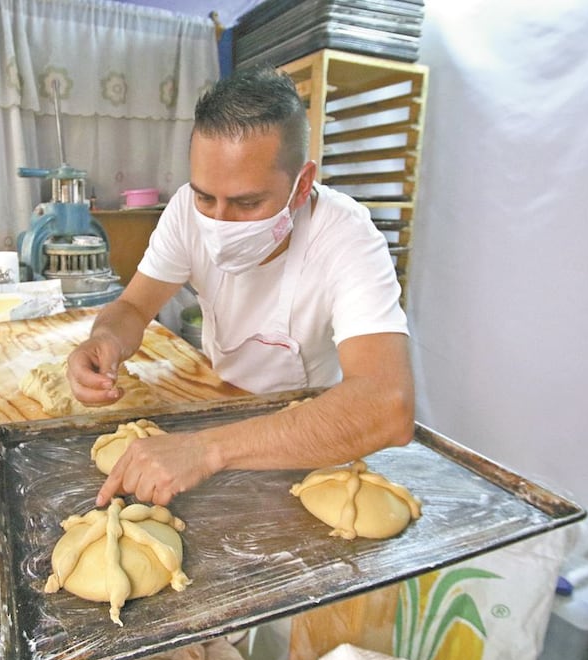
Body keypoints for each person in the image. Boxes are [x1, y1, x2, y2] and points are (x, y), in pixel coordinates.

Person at [66, 65, 414, 508]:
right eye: (206, 197)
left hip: (312, 432)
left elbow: (389, 405)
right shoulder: (183, 213)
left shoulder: (346, 237)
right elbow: (134, 306)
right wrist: (104, 339)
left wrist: (207, 449)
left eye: (248, 202)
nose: (219, 222)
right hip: (219, 403)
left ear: (302, 185)